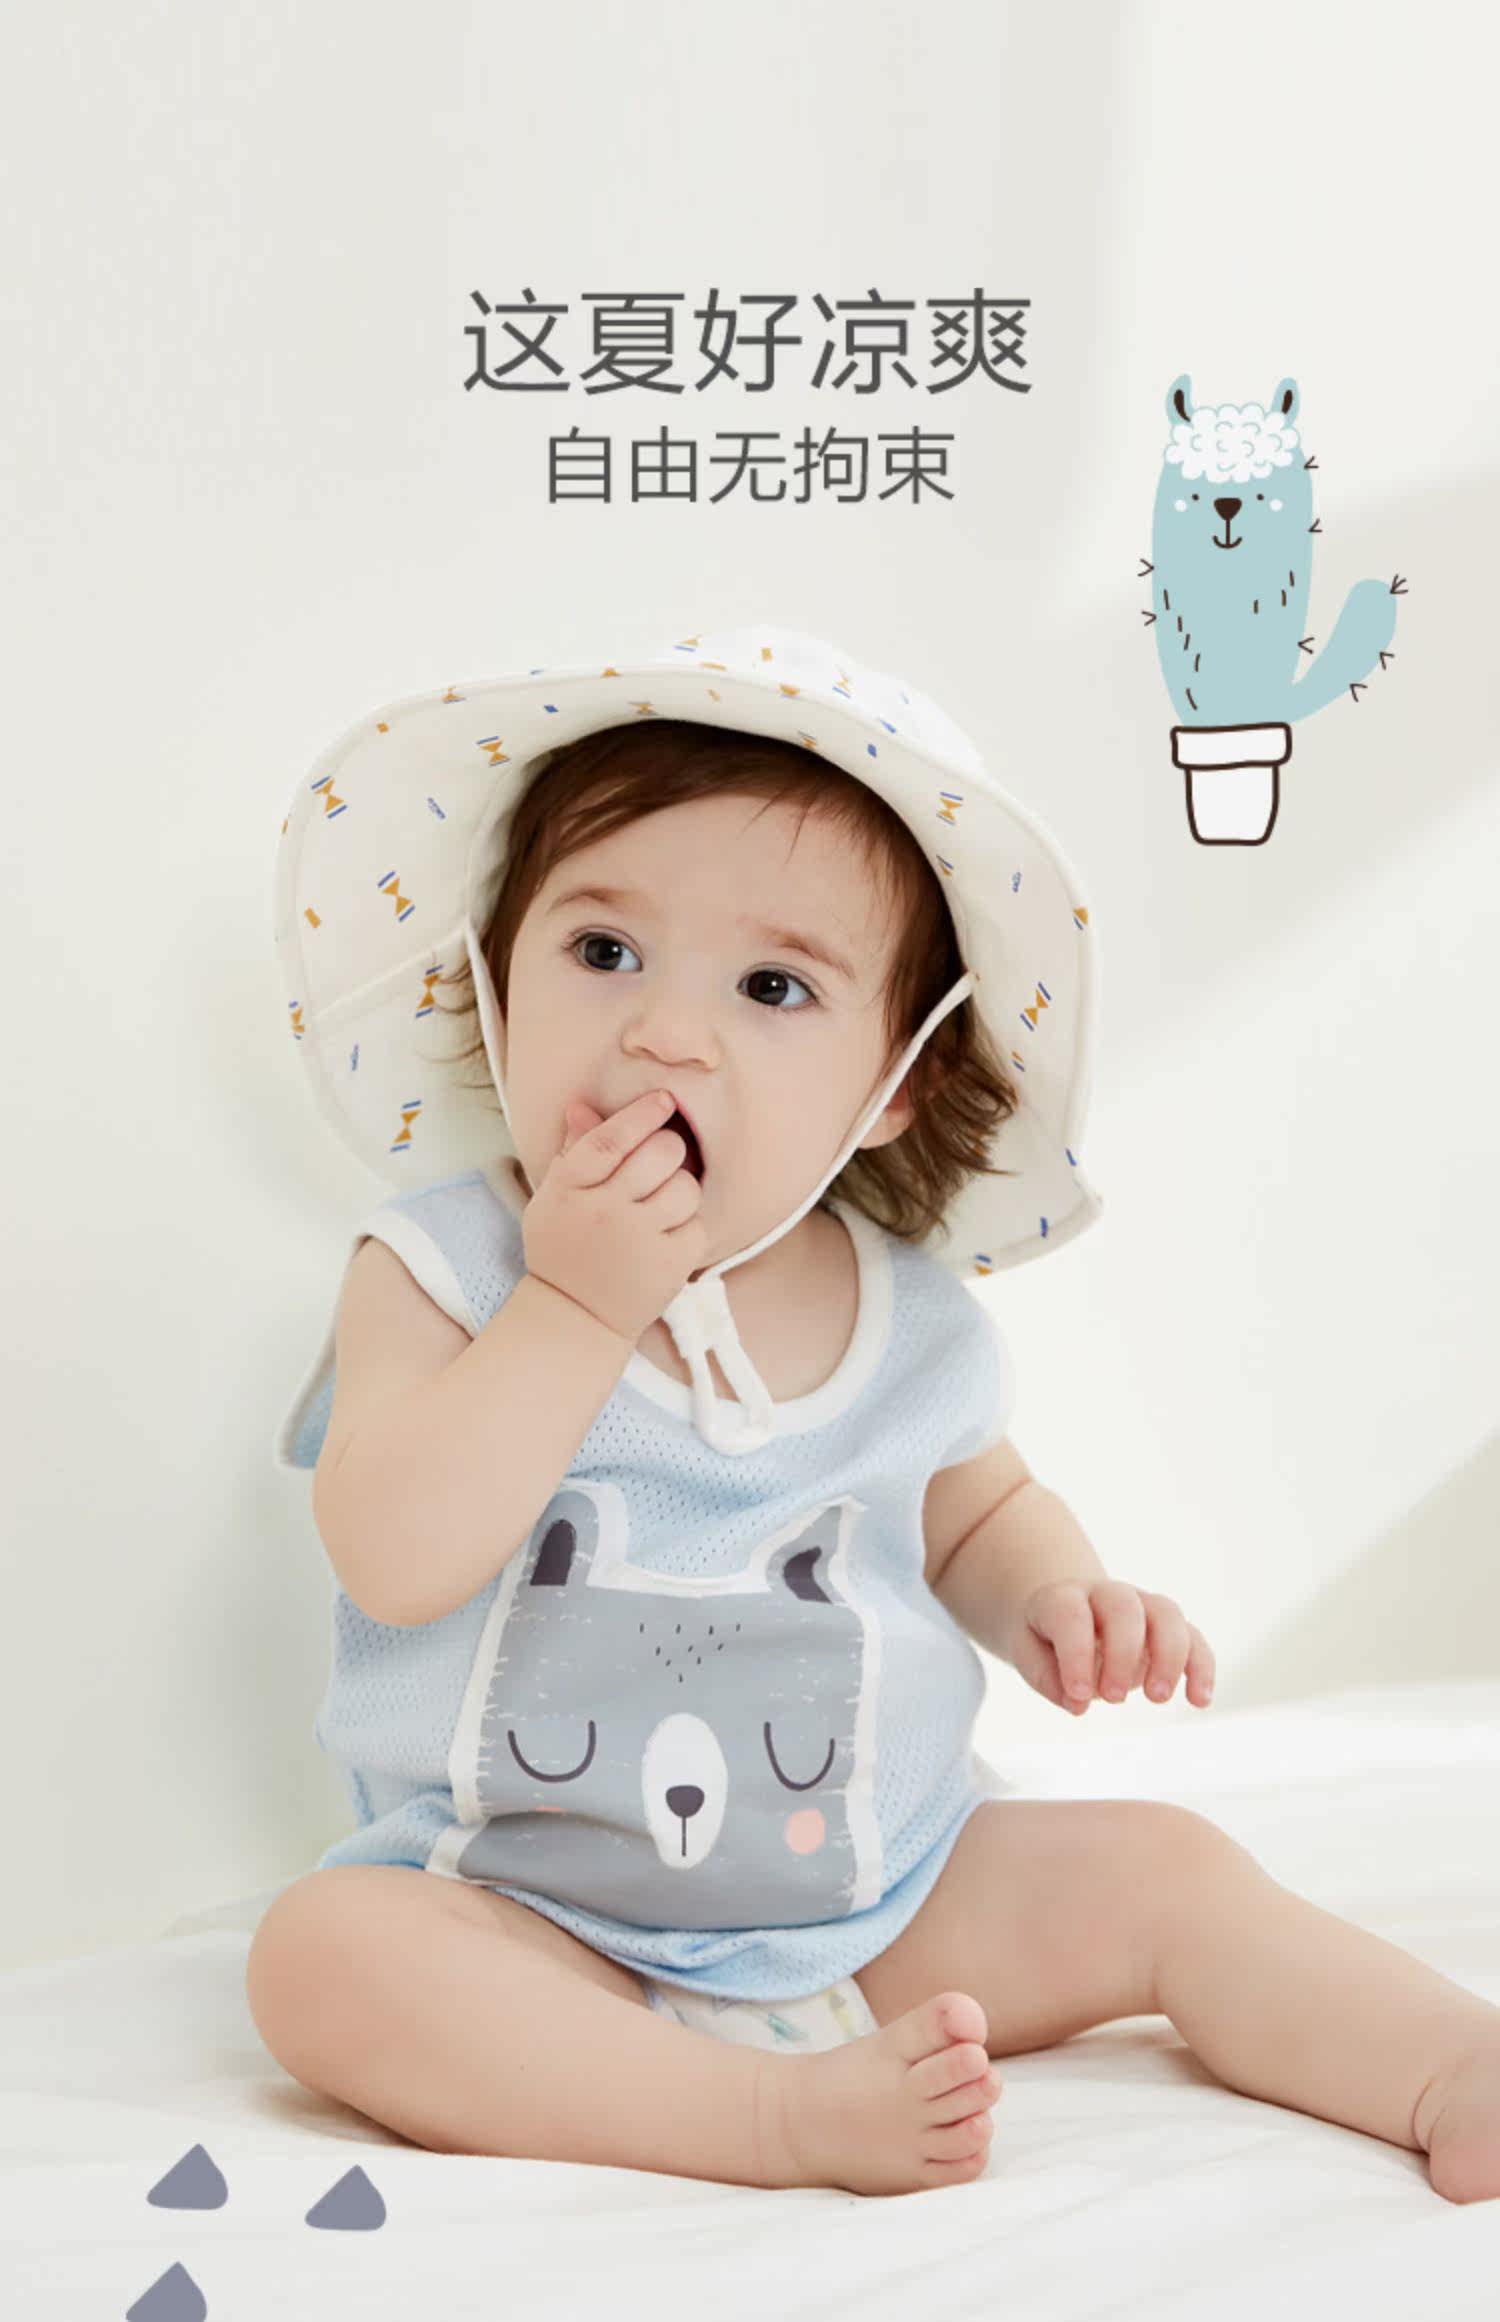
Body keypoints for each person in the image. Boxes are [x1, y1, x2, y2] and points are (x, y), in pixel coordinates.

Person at [247, 625, 1500, 2201]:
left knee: (1167, 1869)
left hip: (879, 1892)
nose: (666, 1031)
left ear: (893, 1083)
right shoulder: (442, 1268)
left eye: (772, 985)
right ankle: (755, 2115)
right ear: (494, 978)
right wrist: (571, 1308)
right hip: (526, 1912)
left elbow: (976, 1512)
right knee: (323, 1956)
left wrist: (1058, 1593)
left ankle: (1447, 2061)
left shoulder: (907, 1318)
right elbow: (392, 1555)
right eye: (603, 950)